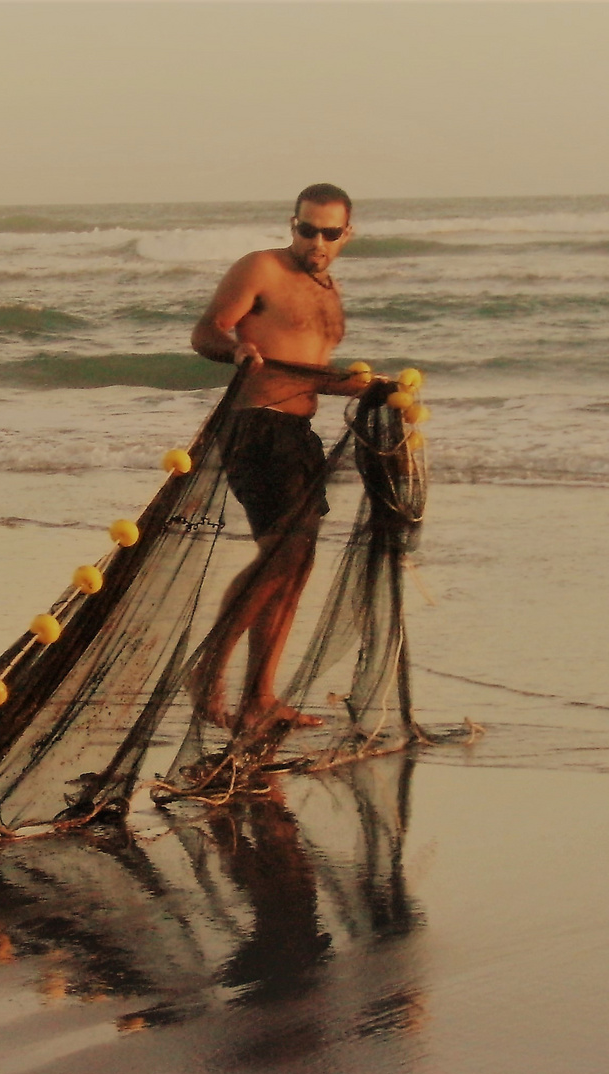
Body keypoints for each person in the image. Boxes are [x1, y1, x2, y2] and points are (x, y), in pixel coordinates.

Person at [188, 182, 368, 735]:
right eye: (306, 228)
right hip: (256, 428)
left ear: (346, 234)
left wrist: (358, 386)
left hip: (298, 434)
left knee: (297, 561)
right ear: (292, 224)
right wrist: (235, 348)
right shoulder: (261, 269)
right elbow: (205, 332)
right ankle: (208, 669)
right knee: (281, 557)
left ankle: (259, 698)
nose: (316, 240)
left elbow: (302, 368)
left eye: (328, 232)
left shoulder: (329, 288)